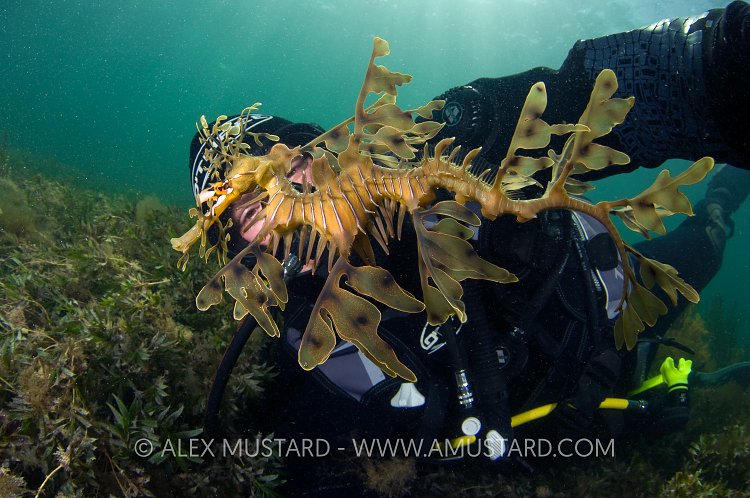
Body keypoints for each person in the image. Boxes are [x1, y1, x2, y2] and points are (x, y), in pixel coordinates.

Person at [188, 0, 750, 485]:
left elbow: (583, 98)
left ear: (326, 153)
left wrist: (719, 63)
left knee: (702, 247)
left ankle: (722, 200)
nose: (282, 208)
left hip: (602, 306)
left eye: (291, 168)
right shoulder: (299, 348)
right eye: (247, 211)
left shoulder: (434, 154)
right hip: (561, 425)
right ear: (238, 247)